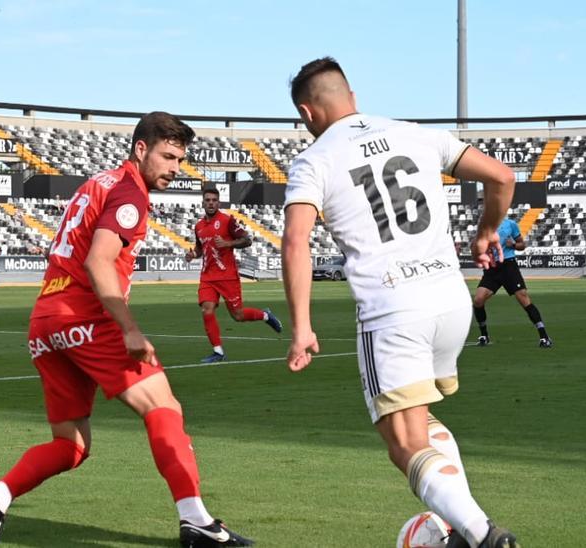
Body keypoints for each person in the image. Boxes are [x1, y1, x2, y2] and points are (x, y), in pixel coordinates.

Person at [0, 112, 253, 547]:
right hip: (85, 316)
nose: (175, 169)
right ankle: (196, 520)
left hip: (46, 321)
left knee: (72, 446)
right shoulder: (130, 193)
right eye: (168, 156)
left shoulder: (97, 182)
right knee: (164, 408)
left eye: (180, 160)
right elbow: (97, 261)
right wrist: (130, 329)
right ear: (141, 149)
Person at [280, 57, 520, 548]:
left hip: (394, 309)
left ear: (307, 113)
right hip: (450, 301)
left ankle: (483, 536)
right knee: (423, 421)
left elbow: (295, 240)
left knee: (405, 444)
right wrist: (487, 232)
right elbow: (502, 176)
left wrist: (302, 325)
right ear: (352, 94)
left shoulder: (315, 159)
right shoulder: (415, 133)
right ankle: (459, 531)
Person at [184, 188, 282, 363]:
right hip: (207, 277)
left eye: (214, 200)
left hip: (227, 276)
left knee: (238, 315)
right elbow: (200, 249)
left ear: (218, 203)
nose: (211, 203)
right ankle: (218, 352)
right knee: (207, 309)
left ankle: (266, 315)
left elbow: (247, 240)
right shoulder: (198, 226)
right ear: (203, 203)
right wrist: (193, 255)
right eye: (208, 200)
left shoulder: (227, 220)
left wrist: (228, 243)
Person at [471, 213, 552, 348]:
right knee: (478, 300)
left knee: (524, 299)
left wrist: (513, 244)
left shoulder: (510, 224)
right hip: (492, 268)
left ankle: (544, 336)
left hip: (508, 266)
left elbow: (522, 245)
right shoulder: (484, 225)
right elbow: (476, 245)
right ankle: (484, 335)